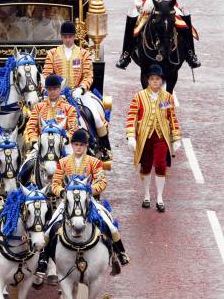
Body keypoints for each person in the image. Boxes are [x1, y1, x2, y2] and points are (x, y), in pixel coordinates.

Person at [51, 129, 129, 266]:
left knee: (110, 226)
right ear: (72, 145)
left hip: (89, 201)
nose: (78, 147)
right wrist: (62, 192)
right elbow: (55, 184)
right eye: (76, 144)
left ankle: (119, 253)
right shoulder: (63, 162)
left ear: (86, 146)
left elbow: (102, 181)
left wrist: (90, 190)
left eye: (81, 145)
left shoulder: (94, 162)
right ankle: (44, 260)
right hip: (68, 203)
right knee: (49, 226)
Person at [43, 22, 111, 156]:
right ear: (62, 37)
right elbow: (46, 74)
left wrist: (81, 89)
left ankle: (104, 147)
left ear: (74, 37)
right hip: (57, 94)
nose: (68, 39)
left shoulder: (83, 53)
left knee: (96, 117)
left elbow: (88, 75)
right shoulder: (52, 53)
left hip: (79, 93)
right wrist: (53, 89)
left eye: (70, 36)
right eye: (65, 36)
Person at [126, 65, 181, 212]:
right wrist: (131, 136)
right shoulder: (139, 96)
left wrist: (176, 138)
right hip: (144, 137)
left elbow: (172, 118)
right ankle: (146, 195)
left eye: (157, 79)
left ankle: (160, 198)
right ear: (148, 81)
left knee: (161, 165)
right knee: (145, 165)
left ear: (161, 81)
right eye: (152, 79)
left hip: (161, 137)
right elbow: (132, 116)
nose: (155, 81)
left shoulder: (168, 97)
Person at [24, 73, 78, 147]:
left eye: (55, 89)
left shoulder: (69, 108)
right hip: (42, 144)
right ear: (46, 89)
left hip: (63, 143)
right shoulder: (38, 107)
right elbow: (31, 126)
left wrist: (66, 139)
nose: (52, 91)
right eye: (49, 89)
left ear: (60, 89)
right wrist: (34, 140)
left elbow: (73, 127)